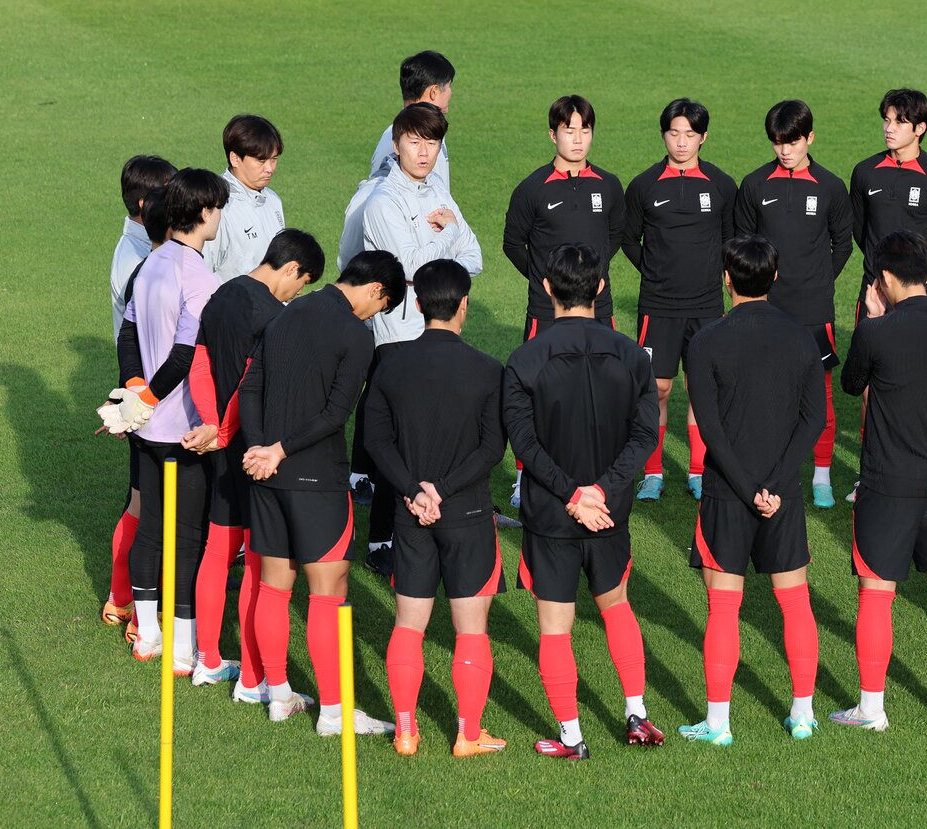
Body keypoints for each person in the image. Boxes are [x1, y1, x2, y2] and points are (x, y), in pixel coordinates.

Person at [502, 244, 662, 760]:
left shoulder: (525, 358)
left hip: (552, 514)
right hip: (609, 512)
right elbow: (644, 436)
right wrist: (603, 490)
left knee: (554, 626)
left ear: (547, 289)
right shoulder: (634, 356)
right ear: (600, 287)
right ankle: (636, 713)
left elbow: (523, 443)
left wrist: (573, 493)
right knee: (616, 606)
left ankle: (571, 737)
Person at [829, 231, 927, 731]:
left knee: (877, 596)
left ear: (883, 279)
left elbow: (852, 384)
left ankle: (872, 709)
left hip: (885, 486)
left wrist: (873, 320)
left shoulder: (876, 332)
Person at [238, 250, 404, 735]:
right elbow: (336, 414)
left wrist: (259, 449)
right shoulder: (356, 334)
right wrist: (281, 450)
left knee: (274, 586)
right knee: (328, 592)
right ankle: (334, 713)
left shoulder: (286, 313)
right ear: (376, 290)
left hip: (265, 473)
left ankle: (278, 695)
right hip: (314, 478)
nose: (377, 315)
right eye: (383, 306)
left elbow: (251, 388)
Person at [678, 235, 825, 746]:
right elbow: (815, 420)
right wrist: (778, 483)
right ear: (775, 278)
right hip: (782, 493)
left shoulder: (705, 341)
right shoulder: (803, 337)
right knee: (795, 601)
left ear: (727, 279)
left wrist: (746, 488)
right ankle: (803, 715)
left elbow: (710, 429)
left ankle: (718, 724)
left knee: (723, 607)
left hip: (727, 493)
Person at [366, 260, 509, 757]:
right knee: (471, 628)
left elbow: (374, 441)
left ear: (419, 303)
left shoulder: (390, 364)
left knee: (409, 623)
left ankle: (406, 731)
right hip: (466, 513)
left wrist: (415, 490)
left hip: (410, 513)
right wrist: (443, 489)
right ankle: (468, 734)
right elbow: (492, 450)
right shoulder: (490, 370)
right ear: (464, 304)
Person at [182, 230, 325, 695]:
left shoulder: (222, 292)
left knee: (217, 552)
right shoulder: (271, 316)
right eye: (301, 284)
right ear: (291, 269)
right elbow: (249, 384)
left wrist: (210, 425)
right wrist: (224, 431)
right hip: (254, 451)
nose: (297, 294)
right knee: (260, 564)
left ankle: (207, 659)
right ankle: (251, 676)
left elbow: (200, 362)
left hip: (219, 448)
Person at [358, 102, 489, 574]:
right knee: (395, 440)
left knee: (434, 434)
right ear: (395, 145)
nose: (423, 151)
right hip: (397, 333)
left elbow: (473, 257)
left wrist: (446, 237)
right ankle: (378, 541)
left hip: (437, 328)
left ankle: (426, 518)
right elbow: (409, 269)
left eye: (431, 142)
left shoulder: (439, 192)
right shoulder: (382, 202)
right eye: (414, 141)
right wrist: (446, 236)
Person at [112, 168, 228, 670]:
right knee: (187, 537)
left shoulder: (150, 263)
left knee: (150, 528)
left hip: (143, 429)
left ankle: (148, 635)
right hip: (182, 429)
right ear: (202, 213)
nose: (221, 215)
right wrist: (152, 400)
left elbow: (126, 338)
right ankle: (183, 649)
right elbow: (186, 356)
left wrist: (136, 395)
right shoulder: (200, 277)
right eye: (218, 208)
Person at [502, 95, 625, 509]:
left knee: (599, 392)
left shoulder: (608, 185)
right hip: (546, 312)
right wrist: (544, 281)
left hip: (597, 311)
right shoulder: (532, 189)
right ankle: (524, 478)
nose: (577, 139)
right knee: (534, 394)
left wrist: (596, 275)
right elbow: (513, 243)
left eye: (585, 130)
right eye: (569, 130)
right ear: (552, 133)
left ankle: (596, 476)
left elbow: (616, 236)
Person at [733, 100, 853, 508]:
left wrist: (818, 281)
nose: (785, 150)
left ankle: (822, 477)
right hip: (763, 308)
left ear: (810, 138)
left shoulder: (831, 187)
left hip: (813, 309)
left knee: (819, 393)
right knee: (760, 390)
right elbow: (742, 243)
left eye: (793, 142)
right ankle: (765, 470)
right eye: (778, 143)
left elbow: (843, 244)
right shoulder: (754, 184)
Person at [622, 97, 737, 503]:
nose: (682, 142)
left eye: (690, 134)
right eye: (674, 133)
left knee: (703, 389)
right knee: (657, 389)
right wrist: (654, 271)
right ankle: (652, 473)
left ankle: (698, 471)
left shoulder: (722, 185)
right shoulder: (644, 185)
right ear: (663, 135)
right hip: (659, 305)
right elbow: (628, 239)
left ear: (703, 137)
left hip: (707, 306)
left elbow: (730, 239)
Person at [103, 155, 175, 633]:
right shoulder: (143, 262)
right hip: (152, 395)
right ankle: (135, 608)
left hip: (142, 391)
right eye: (171, 195)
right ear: (148, 204)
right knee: (149, 506)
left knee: (143, 501)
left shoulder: (137, 249)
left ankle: (121, 599)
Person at [849, 88, 927, 309]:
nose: (889, 129)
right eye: (887, 120)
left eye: (900, 122)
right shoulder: (865, 172)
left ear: (919, 128)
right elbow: (858, 228)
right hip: (875, 292)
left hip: (921, 298)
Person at [204, 115, 286, 283]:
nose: (270, 168)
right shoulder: (216, 205)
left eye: (274, 159)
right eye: (261, 160)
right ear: (235, 158)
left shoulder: (273, 200)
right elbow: (202, 272)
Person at [370, 50, 455, 191]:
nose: (451, 92)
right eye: (448, 86)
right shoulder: (398, 137)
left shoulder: (430, 129)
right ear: (434, 92)